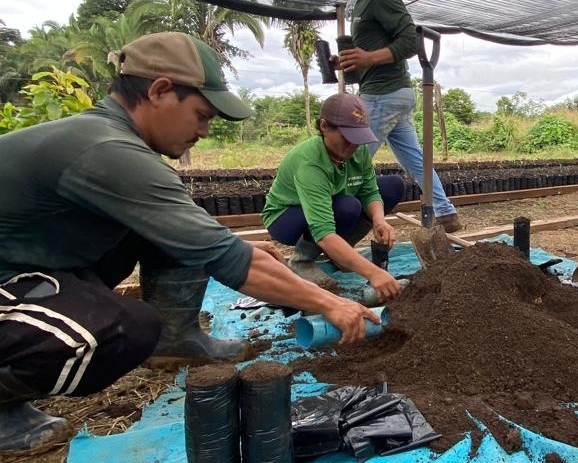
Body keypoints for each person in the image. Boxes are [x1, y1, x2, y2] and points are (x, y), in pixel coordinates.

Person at [0, 32, 380, 453]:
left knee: (173, 231)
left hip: (26, 264)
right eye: (201, 115)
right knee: (122, 329)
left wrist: (244, 252)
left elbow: (197, 234)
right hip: (10, 279)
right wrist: (330, 304)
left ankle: (176, 338)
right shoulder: (107, 149)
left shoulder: (112, 141)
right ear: (160, 90)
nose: (203, 131)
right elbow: (223, 257)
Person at [331, 0, 461, 233]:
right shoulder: (361, 0)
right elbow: (373, 52)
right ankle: (446, 213)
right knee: (415, 159)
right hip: (392, 93)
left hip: (383, 95)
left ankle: (331, 228)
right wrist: (352, 60)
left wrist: (368, 58)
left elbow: (410, 41)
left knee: (350, 157)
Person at [262, 93, 405, 302]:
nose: (353, 146)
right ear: (324, 126)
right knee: (347, 207)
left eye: (358, 139)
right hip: (286, 217)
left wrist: (379, 220)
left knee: (392, 186)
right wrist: (374, 274)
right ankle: (301, 262)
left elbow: (369, 190)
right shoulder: (310, 164)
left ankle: (341, 257)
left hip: (334, 203)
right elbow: (323, 232)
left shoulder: (358, 149)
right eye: (347, 138)